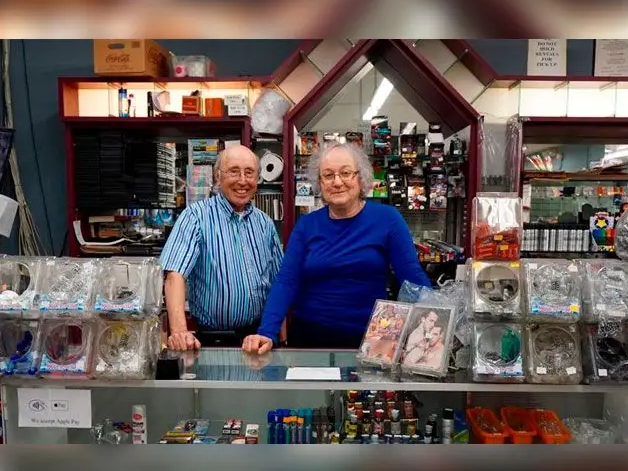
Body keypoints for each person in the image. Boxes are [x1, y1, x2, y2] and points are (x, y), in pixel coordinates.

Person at [242, 143, 431, 354]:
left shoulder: (388, 219)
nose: (337, 182)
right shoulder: (306, 225)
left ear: (360, 178)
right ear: (320, 183)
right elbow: (287, 280)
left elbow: (412, 278)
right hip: (310, 339)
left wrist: (436, 322)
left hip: (373, 339)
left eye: (346, 173)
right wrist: (267, 331)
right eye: (328, 175)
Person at [160, 145, 285, 349]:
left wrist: (280, 338)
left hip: (257, 339)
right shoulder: (196, 217)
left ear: (257, 179)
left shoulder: (265, 223)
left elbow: (279, 283)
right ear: (218, 177)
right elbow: (175, 275)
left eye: (249, 173)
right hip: (213, 340)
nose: (242, 181)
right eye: (234, 172)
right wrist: (180, 333)